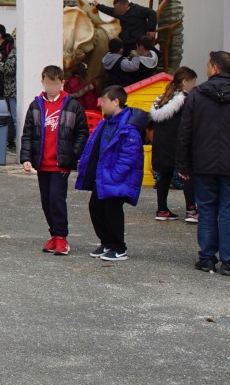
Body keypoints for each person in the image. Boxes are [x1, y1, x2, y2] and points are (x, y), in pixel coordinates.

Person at [176, 51, 230, 277]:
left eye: (208, 65)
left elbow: (185, 132)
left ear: (215, 68)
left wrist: (183, 164)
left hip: (202, 163)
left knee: (206, 210)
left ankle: (206, 257)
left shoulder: (196, 96)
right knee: (228, 212)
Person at [19, 65, 88, 256]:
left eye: (55, 83)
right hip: (42, 162)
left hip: (61, 163)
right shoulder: (36, 105)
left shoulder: (72, 105)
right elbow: (28, 134)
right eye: (48, 83)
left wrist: (73, 154)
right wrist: (26, 158)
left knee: (57, 199)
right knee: (46, 201)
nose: (51, 87)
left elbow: (82, 133)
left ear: (62, 83)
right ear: (42, 82)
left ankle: (62, 237)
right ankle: (54, 234)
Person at [76, 86, 147, 262]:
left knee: (112, 211)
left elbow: (129, 156)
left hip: (115, 178)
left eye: (104, 101)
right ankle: (106, 242)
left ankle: (119, 247)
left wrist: (115, 175)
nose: (101, 104)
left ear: (116, 102)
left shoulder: (128, 127)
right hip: (102, 176)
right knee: (95, 207)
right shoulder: (105, 122)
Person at [147, 69, 199, 223]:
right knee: (188, 174)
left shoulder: (163, 99)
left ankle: (162, 210)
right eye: (193, 82)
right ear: (185, 82)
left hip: (161, 144)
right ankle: (191, 210)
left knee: (164, 175)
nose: (194, 85)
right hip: (178, 143)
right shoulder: (185, 100)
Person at [94, 0, 158, 53]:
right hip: (125, 40)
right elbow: (109, 10)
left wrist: (151, 29)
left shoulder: (137, 9)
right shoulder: (120, 12)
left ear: (126, 4)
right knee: (111, 52)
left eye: (119, 8)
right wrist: (98, 6)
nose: (118, 10)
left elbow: (152, 13)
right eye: (117, 8)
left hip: (136, 41)